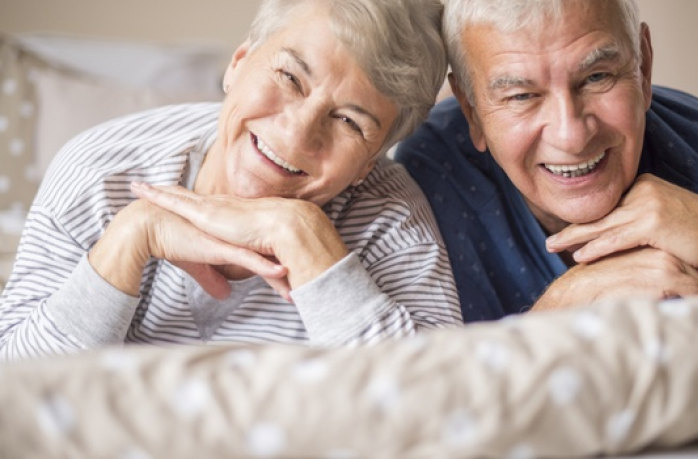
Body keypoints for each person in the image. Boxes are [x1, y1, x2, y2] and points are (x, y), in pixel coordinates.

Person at [0, 0, 462, 360]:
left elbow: (436, 417)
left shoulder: (392, 217)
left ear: (369, 162)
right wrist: (131, 235)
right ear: (238, 63)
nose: (297, 134)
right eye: (290, 77)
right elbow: (13, 391)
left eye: (349, 122)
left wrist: (303, 237)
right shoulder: (98, 172)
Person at [395, 0, 698, 322]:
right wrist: (554, 312)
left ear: (644, 66)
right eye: (522, 96)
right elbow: (427, 412)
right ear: (471, 111)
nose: (572, 135)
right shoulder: (433, 173)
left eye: (597, 77)